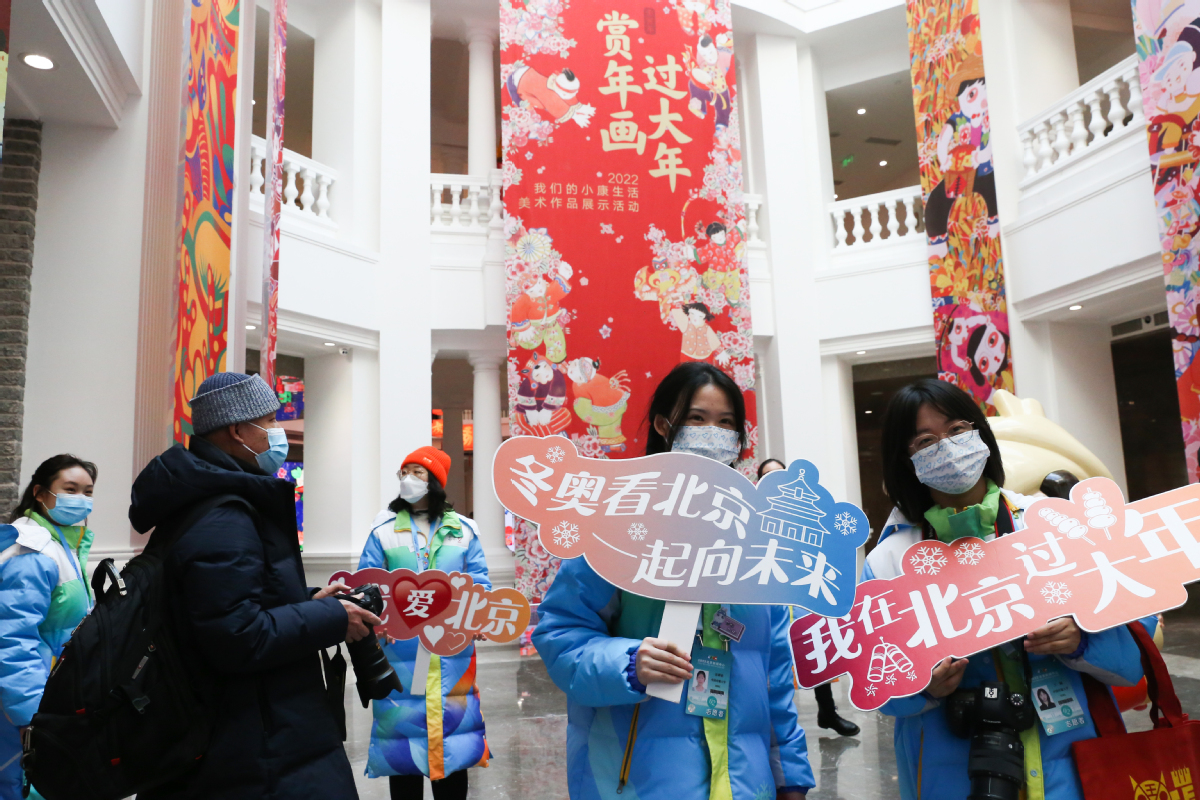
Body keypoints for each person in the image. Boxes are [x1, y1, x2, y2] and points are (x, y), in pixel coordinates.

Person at [534, 361, 814, 799]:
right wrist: (627, 661)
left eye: (726, 423)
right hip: (638, 781)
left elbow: (775, 675)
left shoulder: (757, 541)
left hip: (744, 783)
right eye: (697, 419)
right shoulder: (615, 526)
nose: (713, 433)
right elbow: (559, 635)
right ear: (665, 425)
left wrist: (790, 775)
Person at [862, 378, 1143, 800]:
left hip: (1072, 762)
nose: (948, 448)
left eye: (957, 430)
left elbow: (1133, 662)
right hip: (952, 768)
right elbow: (876, 686)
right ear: (906, 461)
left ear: (981, 434)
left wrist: (1081, 637)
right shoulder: (890, 561)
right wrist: (923, 687)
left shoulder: (1053, 525)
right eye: (925, 440)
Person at [130, 372, 379, 799]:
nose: (276, 432)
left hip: (253, 734)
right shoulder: (223, 517)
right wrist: (330, 617)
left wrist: (306, 601)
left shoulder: (215, 503)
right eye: (269, 420)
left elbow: (228, 604)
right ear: (237, 430)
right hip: (256, 748)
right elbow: (237, 637)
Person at [358, 446, 491, 800]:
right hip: (399, 653)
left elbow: (479, 582)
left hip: (453, 654)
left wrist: (478, 616)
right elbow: (365, 586)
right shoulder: (383, 531)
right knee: (404, 745)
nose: (408, 479)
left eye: (418, 472)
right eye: (405, 472)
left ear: (435, 482)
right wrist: (375, 619)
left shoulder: (463, 531)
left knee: (454, 738)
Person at [0, 455, 97, 800]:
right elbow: (12, 640)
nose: (82, 499)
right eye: (70, 489)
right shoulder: (33, 551)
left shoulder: (63, 544)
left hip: (49, 693)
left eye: (88, 491)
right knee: (18, 786)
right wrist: (31, 716)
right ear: (40, 493)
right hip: (21, 707)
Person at [758, 458, 860, 739]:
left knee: (815, 650)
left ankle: (827, 712)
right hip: (768, 598)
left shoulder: (810, 516)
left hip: (805, 595)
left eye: (780, 474)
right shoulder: (756, 515)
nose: (775, 479)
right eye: (768, 476)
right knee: (772, 661)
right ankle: (774, 721)